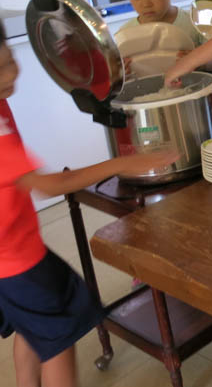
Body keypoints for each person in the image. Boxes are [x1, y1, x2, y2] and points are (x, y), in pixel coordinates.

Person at [0, 21, 178, 387]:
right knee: (60, 342)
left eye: (8, 60)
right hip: (17, 264)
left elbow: (67, 60)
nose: (9, 74)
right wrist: (125, 162)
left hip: (10, 256)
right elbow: (52, 186)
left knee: (33, 330)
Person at [118, 0, 204, 77]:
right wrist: (120, 73)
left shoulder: (194, 21)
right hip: (149, 96)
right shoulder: (125, 35)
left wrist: (198, 61)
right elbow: (117, 78)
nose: (145, 4)